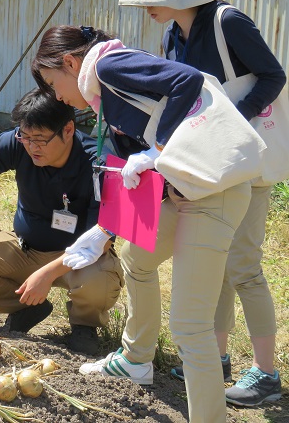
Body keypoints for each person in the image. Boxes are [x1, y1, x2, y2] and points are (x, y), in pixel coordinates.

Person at [31, 24, 259, 422]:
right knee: (137, 257)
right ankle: (136, 359)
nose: (58, 98)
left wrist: (157, 148)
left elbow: (186, 80)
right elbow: (137, 178)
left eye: (53, 84)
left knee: (190, 326)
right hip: (185, 194)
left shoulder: (108, 67)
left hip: (213, 194)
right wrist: (103, 231)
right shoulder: (107, 101)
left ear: (70, 63)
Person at [118, 0, 286, 407]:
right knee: (214, 266)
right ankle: (218, 357)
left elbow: (273, 76)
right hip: (206, 167)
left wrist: (230, 119)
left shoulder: (228, 22)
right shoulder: (174, 34)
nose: (146, 4)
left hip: (246, 160)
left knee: (244, 266)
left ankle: (267, 374)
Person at [0, 88, 124, 355]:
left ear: (68, 130)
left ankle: (84, 326)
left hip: (80, 258)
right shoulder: (19, 143)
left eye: (39, 139)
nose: (31, 147)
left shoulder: (98, 163)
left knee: (99, 277)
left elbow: (102, 239)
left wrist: (47, 274)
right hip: (26, 249)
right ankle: (27, 308)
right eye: (25, 137)